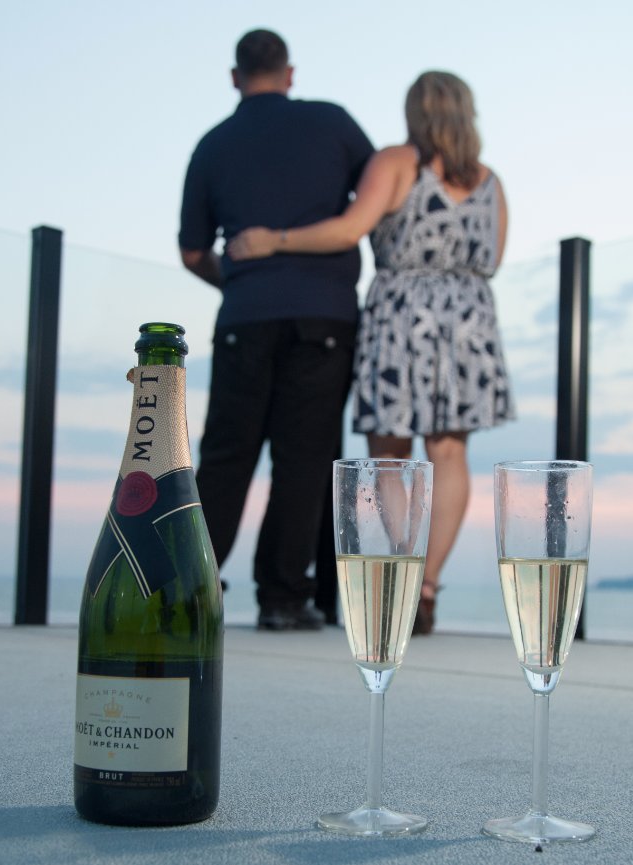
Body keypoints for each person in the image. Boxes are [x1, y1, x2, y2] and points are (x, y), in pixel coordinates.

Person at [227, 70, 513, 636]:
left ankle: (404, 586)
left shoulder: (397, 162)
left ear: (416, 111)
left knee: (391, 455)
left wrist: (273, 240)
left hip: (403, 310)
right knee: (450, 454)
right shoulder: (489, 180)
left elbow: (349, 228)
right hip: (469, 315)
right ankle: (427, 590)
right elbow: (495, 258)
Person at [178, 29, 374, 631]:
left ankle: (187, 595)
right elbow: (379, 197)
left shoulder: (212, 144)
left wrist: (237, 280)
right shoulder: (334, 123)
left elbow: (191, 253)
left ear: (235, 78)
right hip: (327, 317)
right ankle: (284, 601)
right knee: (305, 459)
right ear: (290, 74)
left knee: (226, 457)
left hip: (245, 319)